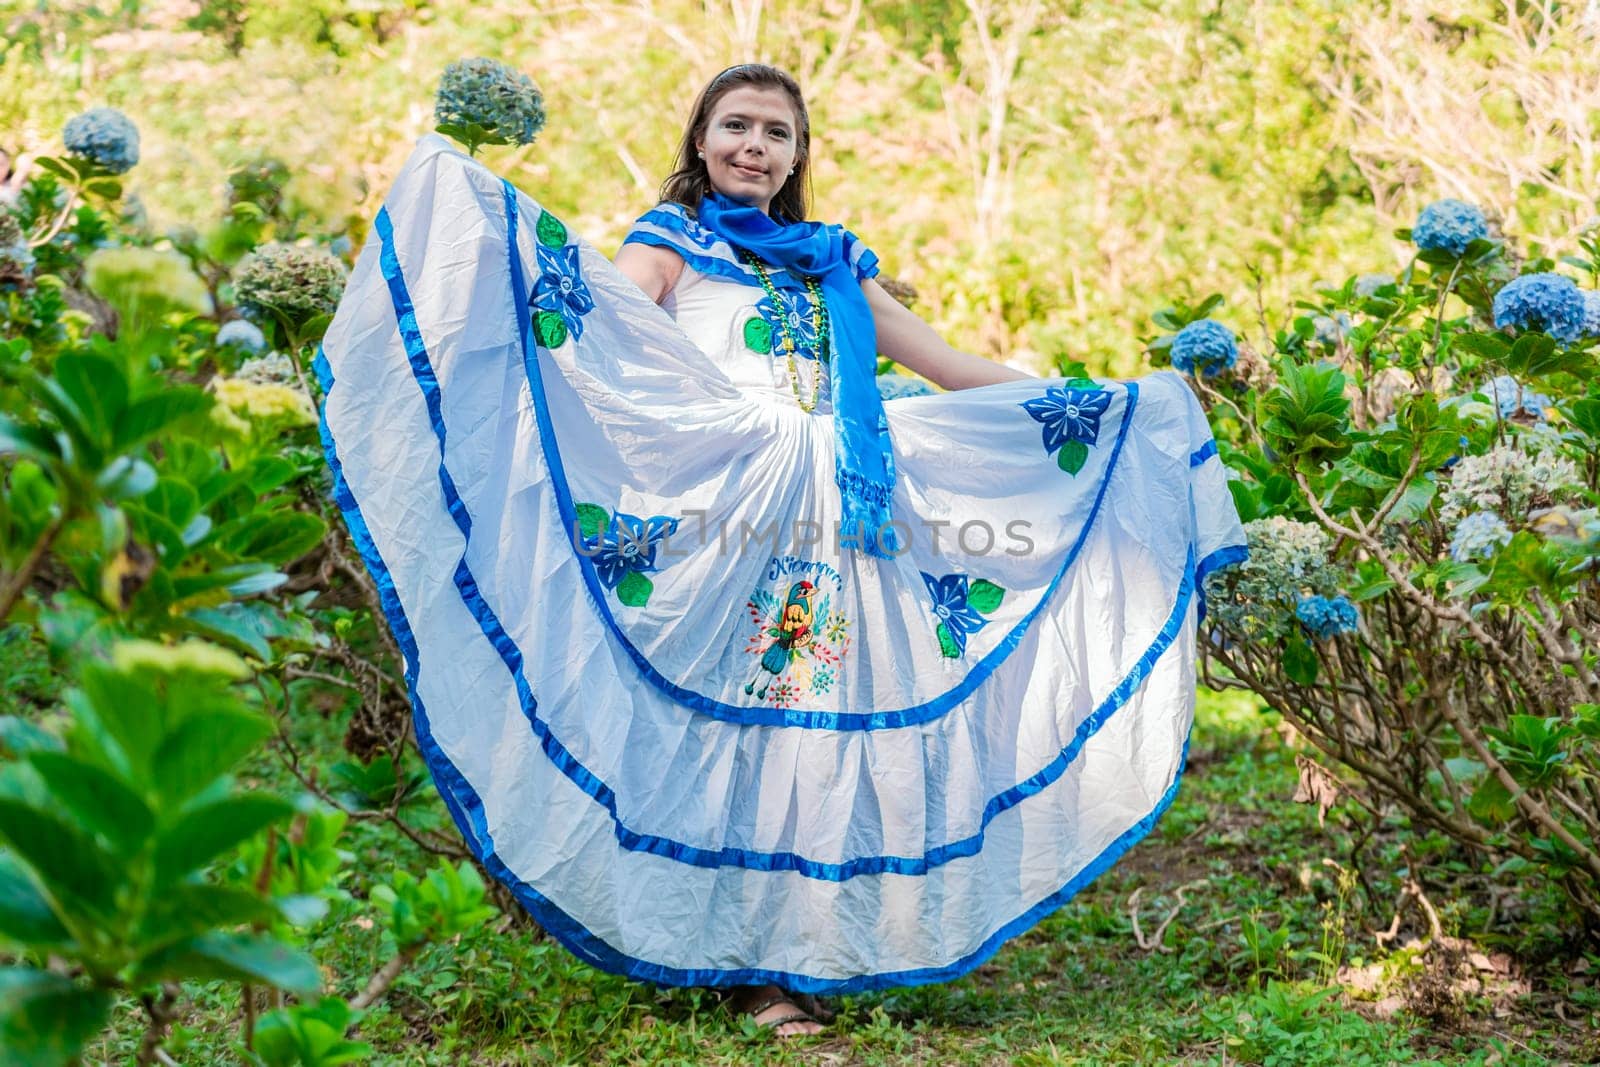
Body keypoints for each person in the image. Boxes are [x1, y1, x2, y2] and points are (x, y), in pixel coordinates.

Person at [317, 63, 1246, 1042]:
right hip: (720, 522)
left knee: (811, 735)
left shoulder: (832, 266)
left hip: (840, 523)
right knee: (736, 729)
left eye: (775, 132)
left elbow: (950, 368)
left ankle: (798, 951)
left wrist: (1104, 407)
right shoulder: (668, 243)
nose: (753, 146)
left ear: (799, 154)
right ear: (701, 140)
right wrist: (485, 251)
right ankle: (741, 961)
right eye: (736, 127)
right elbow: (591, 342)